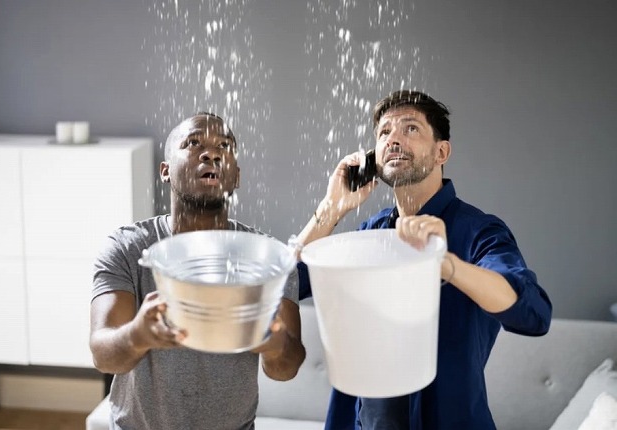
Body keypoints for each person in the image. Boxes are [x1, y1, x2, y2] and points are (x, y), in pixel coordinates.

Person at [296, 90, 552, 429]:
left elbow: (533, 314)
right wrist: (332, 207)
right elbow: (291, 284)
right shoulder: (370, 233)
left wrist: (446, 264)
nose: (394, 139)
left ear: (441, 151)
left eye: (411, 129)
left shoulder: (479, 231)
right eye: (384, 132)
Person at [89, 112, 306, 430]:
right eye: (193, 143)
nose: (212, 152)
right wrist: (138, 334)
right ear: (165, 171)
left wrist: (274, 344)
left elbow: (285, 369)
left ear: (236, 176)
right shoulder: (129, 247)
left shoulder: (267, 258)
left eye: (224, 146)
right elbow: (103, 355)